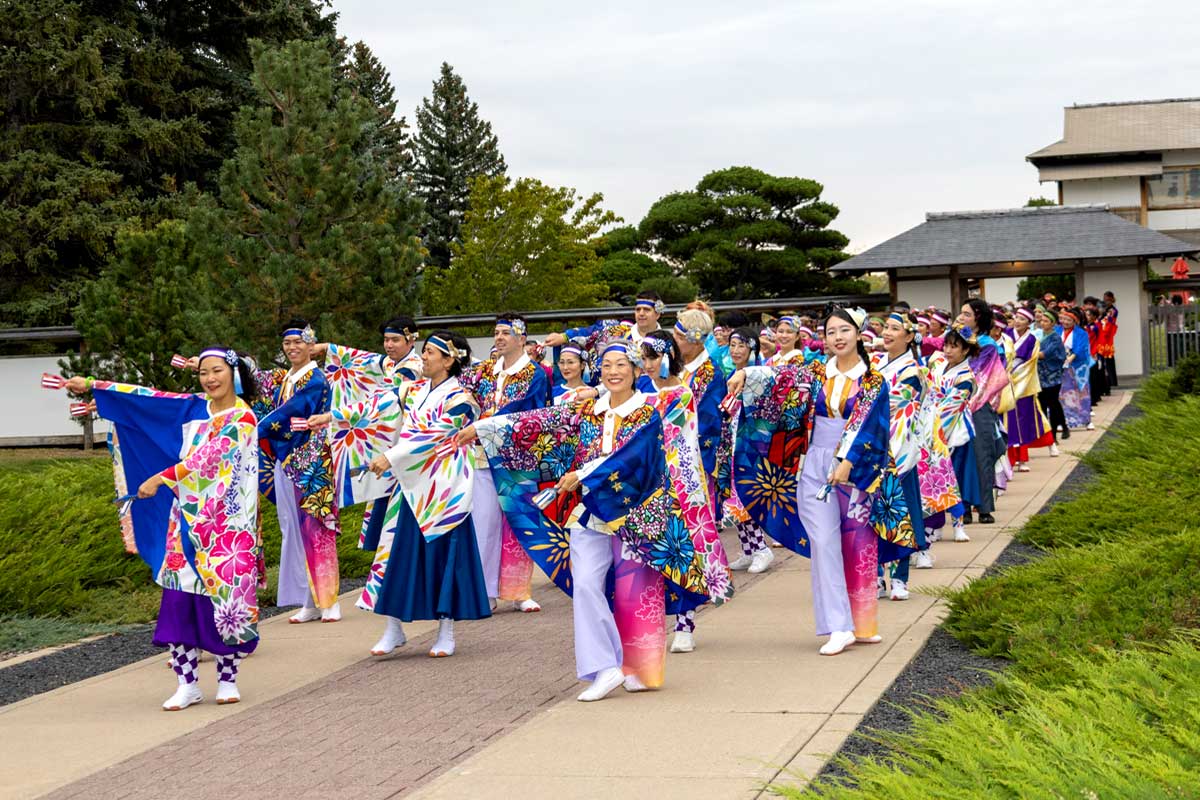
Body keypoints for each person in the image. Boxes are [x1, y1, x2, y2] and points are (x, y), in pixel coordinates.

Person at [458, 340, 727, 701]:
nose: (613, 371)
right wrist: (489, 428)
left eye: (621, 364)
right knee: (585, 585)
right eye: (607, 365)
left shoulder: (648, 412)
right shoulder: (588, 411)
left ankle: (640, 668)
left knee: (636, 592)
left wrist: (583, 474)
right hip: (588, 512)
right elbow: (542, 420)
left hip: (636, 515)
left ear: (634, 370)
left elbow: (634, 456)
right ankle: (605, 667)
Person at [61, 349, 262, 709]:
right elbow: (151, 400)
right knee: (178, 603)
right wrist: (93, 385)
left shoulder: (242, 417)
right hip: (184, 518)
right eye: (204, 373)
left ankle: (227, 680)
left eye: (217, 371)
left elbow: (209, 457)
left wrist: (160, 477)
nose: (210, 378)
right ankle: (187, 683)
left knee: (225, 605)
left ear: (233, 373)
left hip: (226, 529)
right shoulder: (195, 407)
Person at [727, 307, 917, 655]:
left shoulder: (873, 380)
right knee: (824, 544)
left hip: (857, 468)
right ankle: (838, 625)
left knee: (859, 544)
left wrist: (847, 461)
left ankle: (862, 623)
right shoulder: (815, 372)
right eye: (831, 332)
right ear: (824, 338)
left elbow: (870, 426)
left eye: (845, 330)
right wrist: (747, 374)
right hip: (813, 463)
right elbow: (779, 377)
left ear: (859, 334)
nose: (838, 337)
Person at [363, 331, 491, 658]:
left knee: (444, 558)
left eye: (431, 352)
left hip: (444, 489)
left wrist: (390, 456)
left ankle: (446, 630)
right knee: (398, 554)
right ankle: (393, 627)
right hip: (410, 483)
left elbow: (436, 435)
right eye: (424, 351)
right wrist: (332, 417)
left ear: (449, 360)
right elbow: (374, 404)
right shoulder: (413, 389)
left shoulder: (463, 400)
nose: (424, 357)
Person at [252, 320, 342, 623]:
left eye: (298, 343)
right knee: (292, 527)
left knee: (317, 528)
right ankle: (309, 599)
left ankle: (329, 600)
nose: (292, 348)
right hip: (286, 459)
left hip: (312, 461)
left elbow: (288, 412)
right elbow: (252, 379)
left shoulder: (314, 380)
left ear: (310, 345)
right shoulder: (285, 378)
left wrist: (253, 429)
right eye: (288, 343)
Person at [459, 313, 550, 612]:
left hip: (518, 459)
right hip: (483, 456)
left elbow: (527, 413)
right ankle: (484, 590)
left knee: (517, 523)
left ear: (522, 338)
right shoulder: (483, 370)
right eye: (496, 332)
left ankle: (519, 591)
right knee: (482, 522)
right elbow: (463, 394)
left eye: (505, 332)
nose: (499, 337)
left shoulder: (535, 374)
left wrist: (484, 423)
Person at [872, 312, 930, 601]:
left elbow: (897, 409)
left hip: (898, 448)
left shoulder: (913, 371)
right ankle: (876, 578)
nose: (887, 332)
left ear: (909, 337)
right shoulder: (876, 364)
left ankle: (899, 577)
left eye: (895, 328)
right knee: (874, 514)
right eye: (885, 327)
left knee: (900, 512)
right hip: (875, 449)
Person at [955, 299, 1008, 525]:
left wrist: (968, 397)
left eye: (967, 314)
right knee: (961, 455)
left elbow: (982, 375)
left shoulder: (989, 345)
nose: (962, 316)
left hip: (980, 404)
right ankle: (963, 506)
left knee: (983, 455)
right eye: (962, 313)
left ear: (979, 317)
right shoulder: (958, 339)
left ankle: (985, 507)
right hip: (957, 403)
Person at [928, 328, 981, 543]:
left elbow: (952, 408)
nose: (947, 350)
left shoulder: (966, 377)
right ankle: (936, 525)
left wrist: (934, 429)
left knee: (954, 480)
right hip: (932, 426)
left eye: (954, 346)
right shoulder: (938, 365)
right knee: (933, 480)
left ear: (966, 350)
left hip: (955, 431)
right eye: (946, 345)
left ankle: (958, 525)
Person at [1004, 307, 1054, 471]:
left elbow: (1030, 364)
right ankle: (1011, 459)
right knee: (1009, 422)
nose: (1017, 321)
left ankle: (1023, 459)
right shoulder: (1006, 335)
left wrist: (1014, 377)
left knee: (1024, 421)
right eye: (1016, 318)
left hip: (1022, 384)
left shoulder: (1033, 340)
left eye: (1022, 319)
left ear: (1029, 323)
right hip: (1005, 382)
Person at [1059, 308, 1093, 431]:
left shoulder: (1081, 333)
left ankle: (1086, 419)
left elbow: (1081, 348)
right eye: (1064, 319)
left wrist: (1071, 358)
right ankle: (1064, 419)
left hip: (1078, 366)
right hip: (1061, 366)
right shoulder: (1057, 330)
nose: (1066, 322)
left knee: (1081, 391)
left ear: (1075, 321)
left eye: (1069, 320)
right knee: (1064, 393)